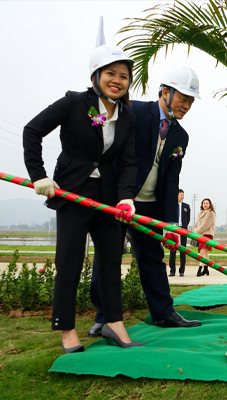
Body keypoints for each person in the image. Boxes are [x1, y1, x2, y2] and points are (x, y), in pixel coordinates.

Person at [23, 45, 145, 351]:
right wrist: (38, 175)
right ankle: (66, 329)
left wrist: (127, 197)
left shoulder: (128, 118)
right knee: (70, 262)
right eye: (110, 74)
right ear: (96, 75)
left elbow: (129, 162)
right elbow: (32, 130)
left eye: (124, 76)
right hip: (71, 193)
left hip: (107, 199)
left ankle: (114, 324)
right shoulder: (74, 102)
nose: (117, 80)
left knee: (111, 262)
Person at [88, 65, 202, 336]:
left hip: (150, 206)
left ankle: (163, 313)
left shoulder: (180, 136)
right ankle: (103, 317)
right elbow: (97, 120)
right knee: (109, 256)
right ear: (165, 92)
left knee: (152, 257)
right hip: (118, 200)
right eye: (183, 98)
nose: (187, 105)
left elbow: (171, 181)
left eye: (191, 101)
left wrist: (171, 224)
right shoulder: (136, 112)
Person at [169, 189, 191, 276]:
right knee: (172, 250)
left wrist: (183, 226)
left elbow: (188, 218)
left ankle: (182, 271)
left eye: (183, 195)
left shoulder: (186, 206)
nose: (182, 196)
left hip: (183, 230)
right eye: (180, 195)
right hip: (173, 230)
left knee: (183, 250)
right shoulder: (171, 205)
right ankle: (172, 270)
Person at [194, 198, 216, 276]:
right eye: (204, 203)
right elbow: (197, 224)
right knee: (205, 252)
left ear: (210, 204)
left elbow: (205, 225)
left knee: (202, 252)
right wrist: (194, 232)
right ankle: (206, 269)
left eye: (207, 203)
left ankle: (200, 269)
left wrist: (196, 231)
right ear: (202, 205)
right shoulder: (200, 213)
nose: (205, 205)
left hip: (207, 234)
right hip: (200, 234)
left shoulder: (210, 213)